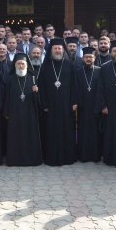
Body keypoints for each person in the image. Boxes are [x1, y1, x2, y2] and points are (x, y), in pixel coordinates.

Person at [38, 38, 78, 166]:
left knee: (66, 131)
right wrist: (44, 104)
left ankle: (68, 157)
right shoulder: (45, 66)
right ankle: (51, 157)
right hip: (50, 107)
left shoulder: (69, 65)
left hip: (66, 106)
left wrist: (74, 102)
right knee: (51, 132)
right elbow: (41, 87)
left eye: (59, 48)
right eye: (55, 48)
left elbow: (74, 85)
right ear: (51, 50)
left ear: (63, 50)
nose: (57, 50)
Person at [4, 54, 42, 166]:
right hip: (14, 113)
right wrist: (6, 112)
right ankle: (15, 160)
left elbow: (38, 99)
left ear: (27, 65)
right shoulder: (10, 79)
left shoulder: (32, 78)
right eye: (19, 64)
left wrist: (36, 92)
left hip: (29, 113)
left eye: (23, 64)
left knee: (30, 135)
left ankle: (32, 160)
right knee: (15, 136)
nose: (21, 66)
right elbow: (7, 96)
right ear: (15, 65)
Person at [75, 47, 102, 162]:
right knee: (83, 131)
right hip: (83, 107)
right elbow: (75, 88)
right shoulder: (78, 72)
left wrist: (99, 105)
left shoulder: (100, 71)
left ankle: (95, 156)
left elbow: (102, 89)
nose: (88, 59)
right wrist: (78, 103)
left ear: (94, 58)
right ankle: (83, 156)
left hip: (96, 107)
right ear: (82, 58)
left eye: (90, 57)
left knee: (96, 132)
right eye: (86, 57)